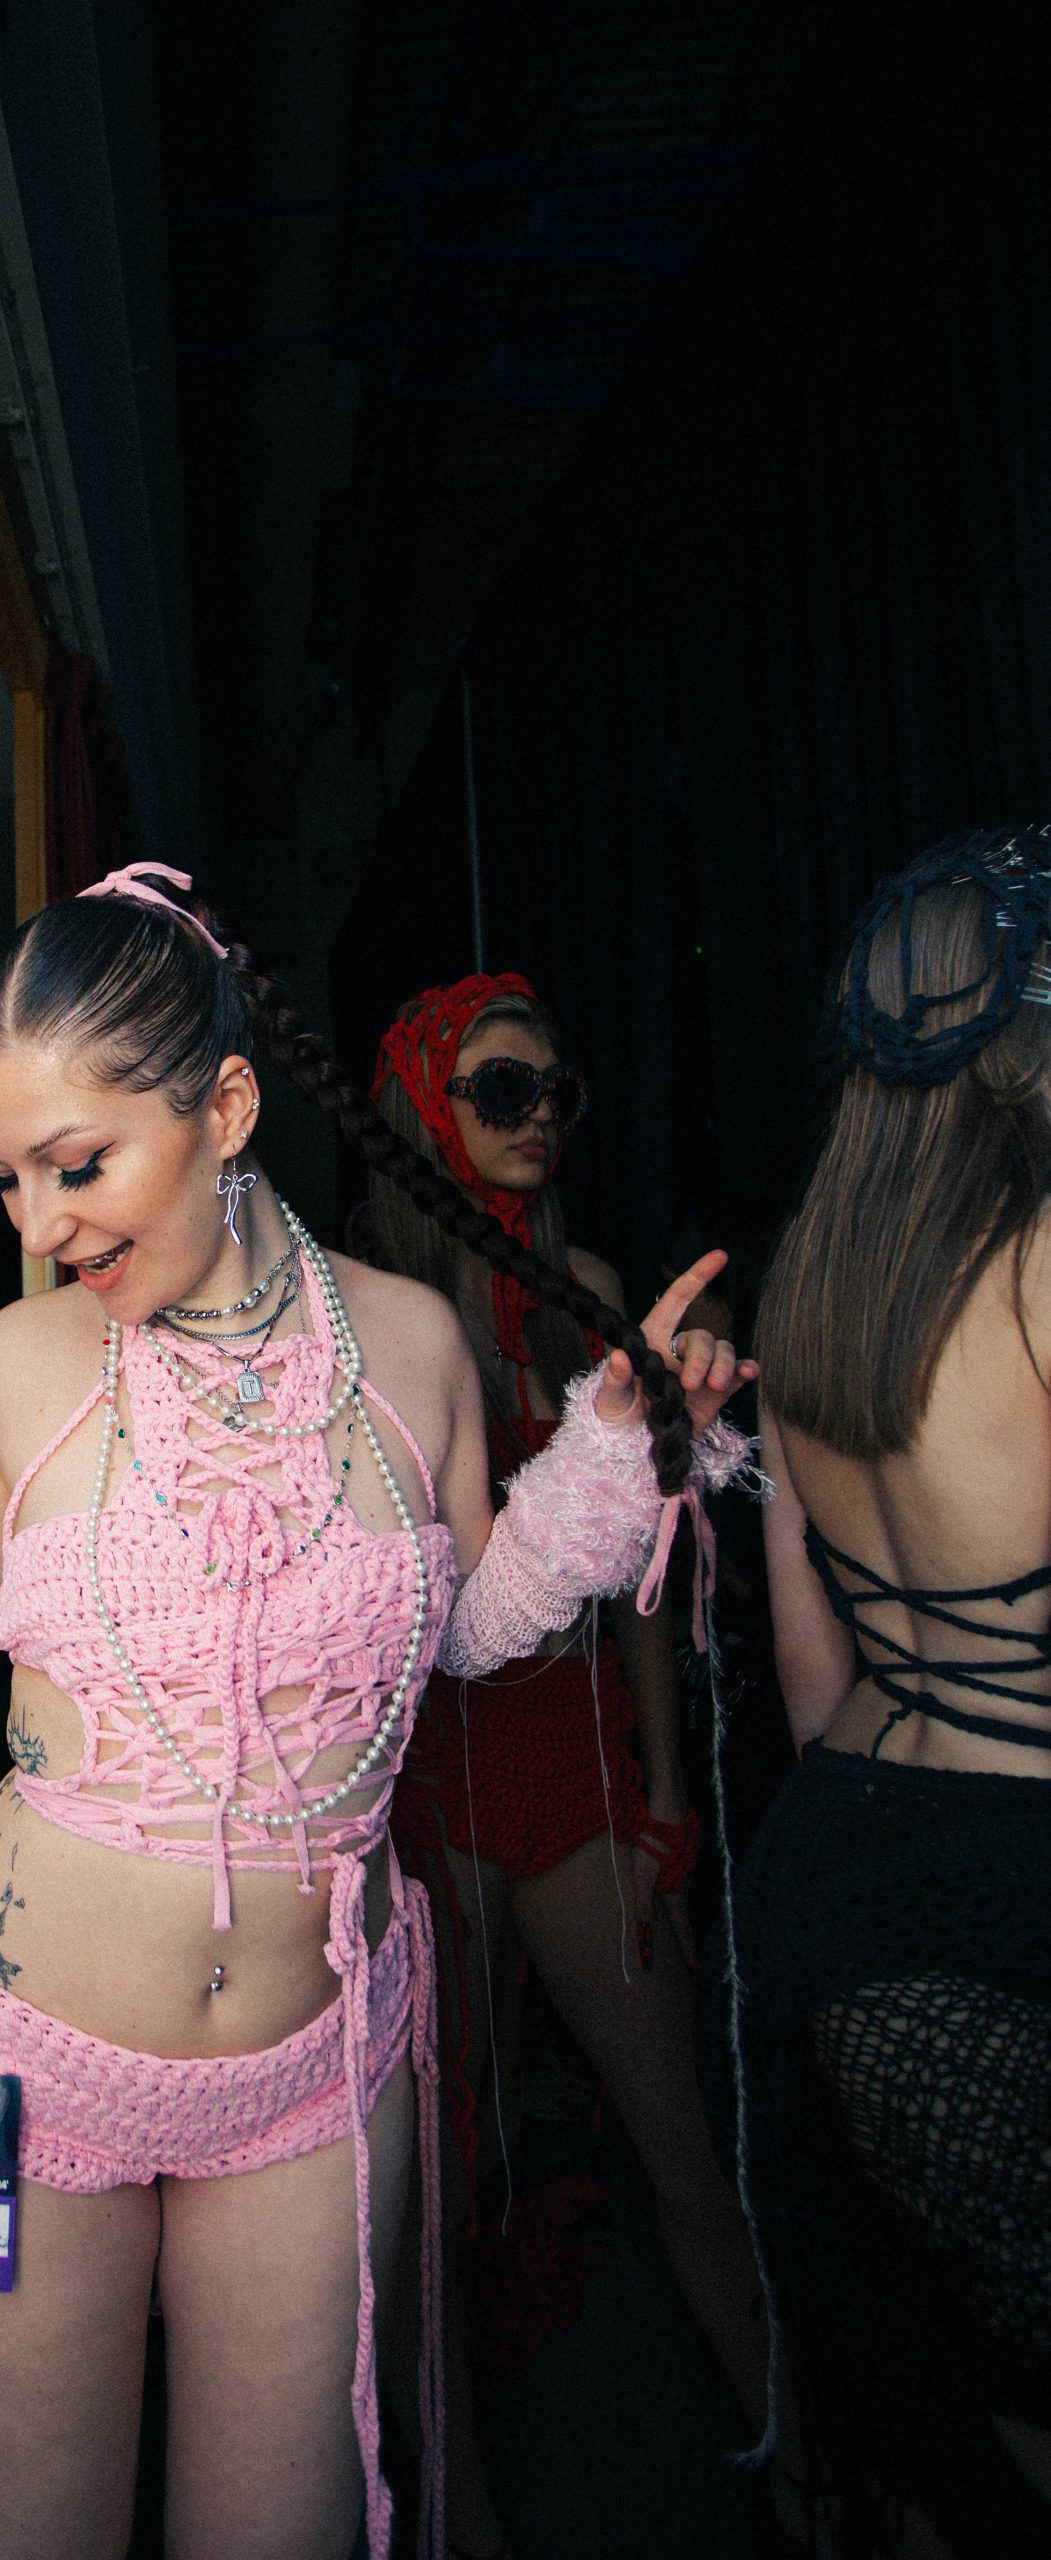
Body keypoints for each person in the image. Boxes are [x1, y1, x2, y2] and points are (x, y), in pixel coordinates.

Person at [0, 866, 752, 2560]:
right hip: (15, 2071)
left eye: (77, 1165)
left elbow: (465, 1629)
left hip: (314, 2084)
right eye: (6, 1176)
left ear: (227, 1110)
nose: (40, 1222)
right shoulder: (22, 1361)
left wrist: (612, 1459)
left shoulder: (415, 1345)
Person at [368, 974, 769, 2555]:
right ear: (426, 1110)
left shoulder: (591, 1286)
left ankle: (801, 2467)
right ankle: (454, 2522)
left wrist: (663, 1786)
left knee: (689, 2157)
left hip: (572, 1762)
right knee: (431, 2197)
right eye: (500, 1090)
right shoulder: (375, 1318)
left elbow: (639, 1580)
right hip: (424, 1777)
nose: (539, 1117)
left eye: (555, 1090)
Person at [744, 829, 1051, 2559]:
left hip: (844, 1881)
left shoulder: (811, 1281)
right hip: (1022, 1883)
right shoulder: (1047, 1262)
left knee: (946, 2416)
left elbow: (811, 1683)